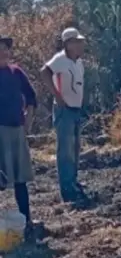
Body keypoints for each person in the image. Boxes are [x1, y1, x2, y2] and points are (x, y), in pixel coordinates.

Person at [41, 27, 87, 204]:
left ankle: (73, 181)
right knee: (65, 150)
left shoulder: (78, 62)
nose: (81, 44)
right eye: (77, 42)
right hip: (64, 110)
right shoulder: (60, 59)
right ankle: (66, 188)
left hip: (75, 109)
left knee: (75, 148)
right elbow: (44, 72)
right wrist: (57, 96)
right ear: (68, 43)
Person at [0, 35, 38, 238]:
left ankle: (26, 220)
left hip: (16, 131)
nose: (3, 52)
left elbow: (31, 97)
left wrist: (28, 122)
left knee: (20, 180)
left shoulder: (16, 72)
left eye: (5, 48)